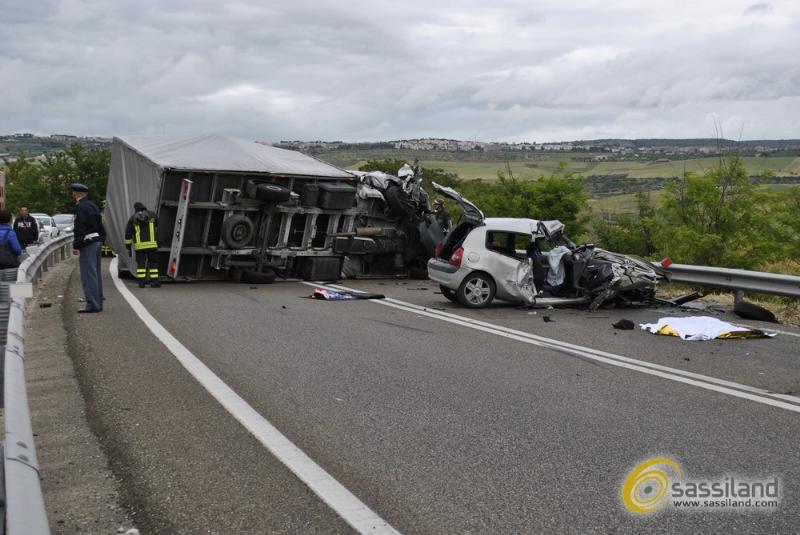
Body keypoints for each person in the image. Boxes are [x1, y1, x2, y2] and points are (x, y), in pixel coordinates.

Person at [71, 183, 105, 313]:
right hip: (97, 241)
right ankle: (98, 301)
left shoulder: (80, 207)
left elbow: (80, 227)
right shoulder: (93, 205)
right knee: (95, 273)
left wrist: (76, 244)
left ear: (75, 193)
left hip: (87, 243)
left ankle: (92, 304)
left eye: (73, 193)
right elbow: (100, 225)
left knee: (88, 274)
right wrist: (102, 238)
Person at [125, 202, 160, 288]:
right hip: (152, 245)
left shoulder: (132, 219)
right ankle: (154, 282)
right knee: (153, 264)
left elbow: (128, 235)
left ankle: (141, 283)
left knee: (141, 264)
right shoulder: (152, 215)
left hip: (140, 247)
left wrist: (128, 247)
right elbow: (158, 225)